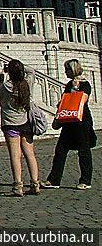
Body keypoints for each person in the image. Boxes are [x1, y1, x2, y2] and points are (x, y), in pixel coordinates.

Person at [42, 59, 95, 190]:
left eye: (67, 70)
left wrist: (76, 90)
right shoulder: (68, 85)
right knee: (60, 150)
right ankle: (54, 180)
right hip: (68, 121)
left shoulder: (85, 84)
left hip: (81, 121)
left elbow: (82, 101)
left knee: (83, 151)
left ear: (73, 70)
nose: (65, 72)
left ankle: (85, 180)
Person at [0, 59, 39, 196]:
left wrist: (1, 79)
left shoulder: (6, 87)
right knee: (30, 154)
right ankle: (35, 183)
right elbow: (32, 71)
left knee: (15, 156)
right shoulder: (27, 84)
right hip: (25, 122)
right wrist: (20, 68)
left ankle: (18, 186)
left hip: (10, 124)